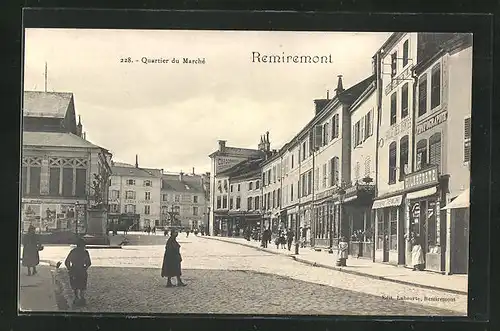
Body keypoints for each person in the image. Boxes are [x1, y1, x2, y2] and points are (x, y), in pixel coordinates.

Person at [65, 237, 92, 306]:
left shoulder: (73, 252)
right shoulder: (85, 252)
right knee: (82, 285)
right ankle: (82, 298)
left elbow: (67, 261)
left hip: (74, 270)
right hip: (82, 271)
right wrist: (85, 268)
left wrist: (70, 269)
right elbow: (89, 262)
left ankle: (76, 297)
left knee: (75, 285)